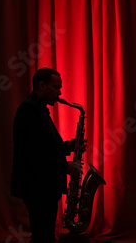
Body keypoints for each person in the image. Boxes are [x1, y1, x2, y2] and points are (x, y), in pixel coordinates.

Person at [11, 67, 85, 243]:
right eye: (56, 87)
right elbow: (32, 154)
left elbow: (44, 146)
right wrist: (65, 166)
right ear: (41, 85)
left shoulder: (38, 108)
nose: (59, 92)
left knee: (45, 234)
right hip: (37, 185)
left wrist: (68, 146)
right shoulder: (29, 110)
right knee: (43, 235)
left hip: (44, 184)